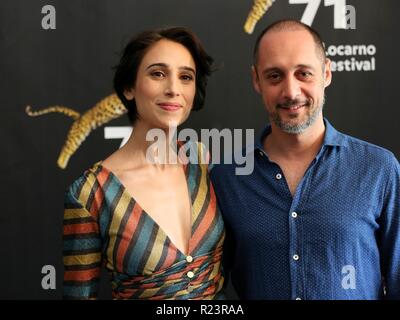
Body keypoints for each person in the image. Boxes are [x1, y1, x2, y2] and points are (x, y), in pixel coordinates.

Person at [210, 19, 400, 300]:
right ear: (256, 80)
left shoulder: (379, 169)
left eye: (304, 74)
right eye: (275, 76)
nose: (290, 91)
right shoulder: (227, 177)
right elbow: (209, 288)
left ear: (326, 73)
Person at [63, 27, 225, 299]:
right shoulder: (90, 194)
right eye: (158, 74)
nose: (174, 89)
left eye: (186, 77)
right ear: (129, 87)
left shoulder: (203, 160)